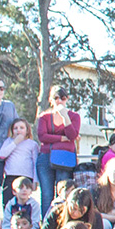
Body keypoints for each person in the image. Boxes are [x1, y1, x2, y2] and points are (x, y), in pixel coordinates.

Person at [34, 86, 81, 217]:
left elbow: (72, 135)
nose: (59, 101)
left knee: (64, 192)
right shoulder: (44, 117)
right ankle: (46, 222)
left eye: (63, 98)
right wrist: (62, 138)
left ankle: (62, 220)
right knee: (47, 194)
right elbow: (42, 136)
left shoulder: (74, 117)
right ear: (50, 100)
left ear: (67, 99)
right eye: (56, 98)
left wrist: (65, 117)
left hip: (64, 158)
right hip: (46, 157)